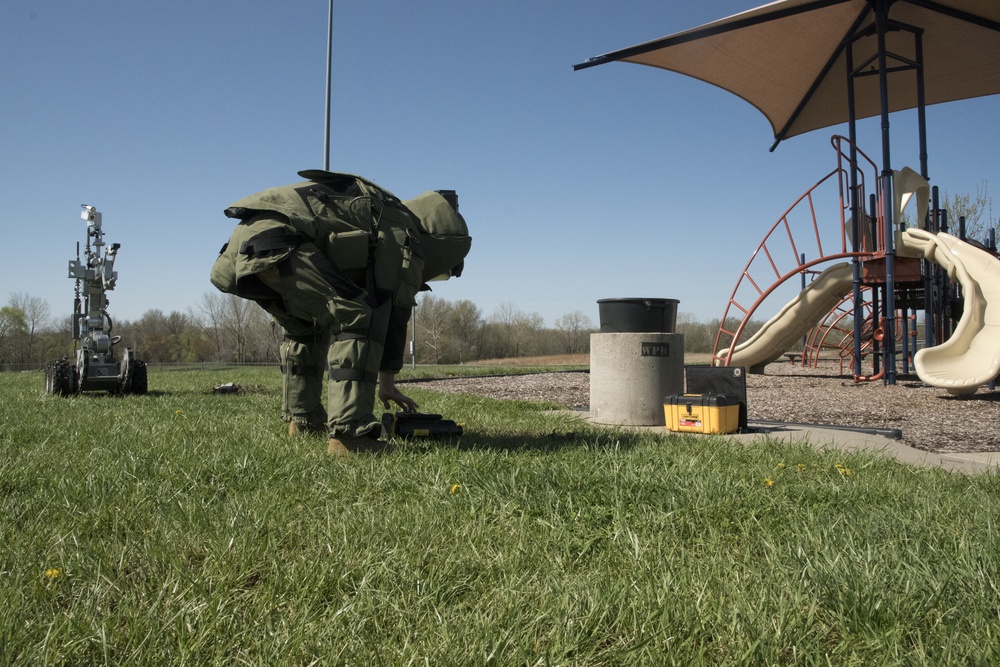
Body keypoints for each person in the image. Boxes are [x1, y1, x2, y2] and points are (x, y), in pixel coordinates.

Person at [210, 170, 471, 455]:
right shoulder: (404, 231)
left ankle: (304, 421)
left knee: (305, 329)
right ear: (444, 245)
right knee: (356, 316)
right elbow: (391, 307)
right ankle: (351, 436)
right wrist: (388, 381)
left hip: (245, 247)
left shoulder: (382, 213)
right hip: (281, 241)